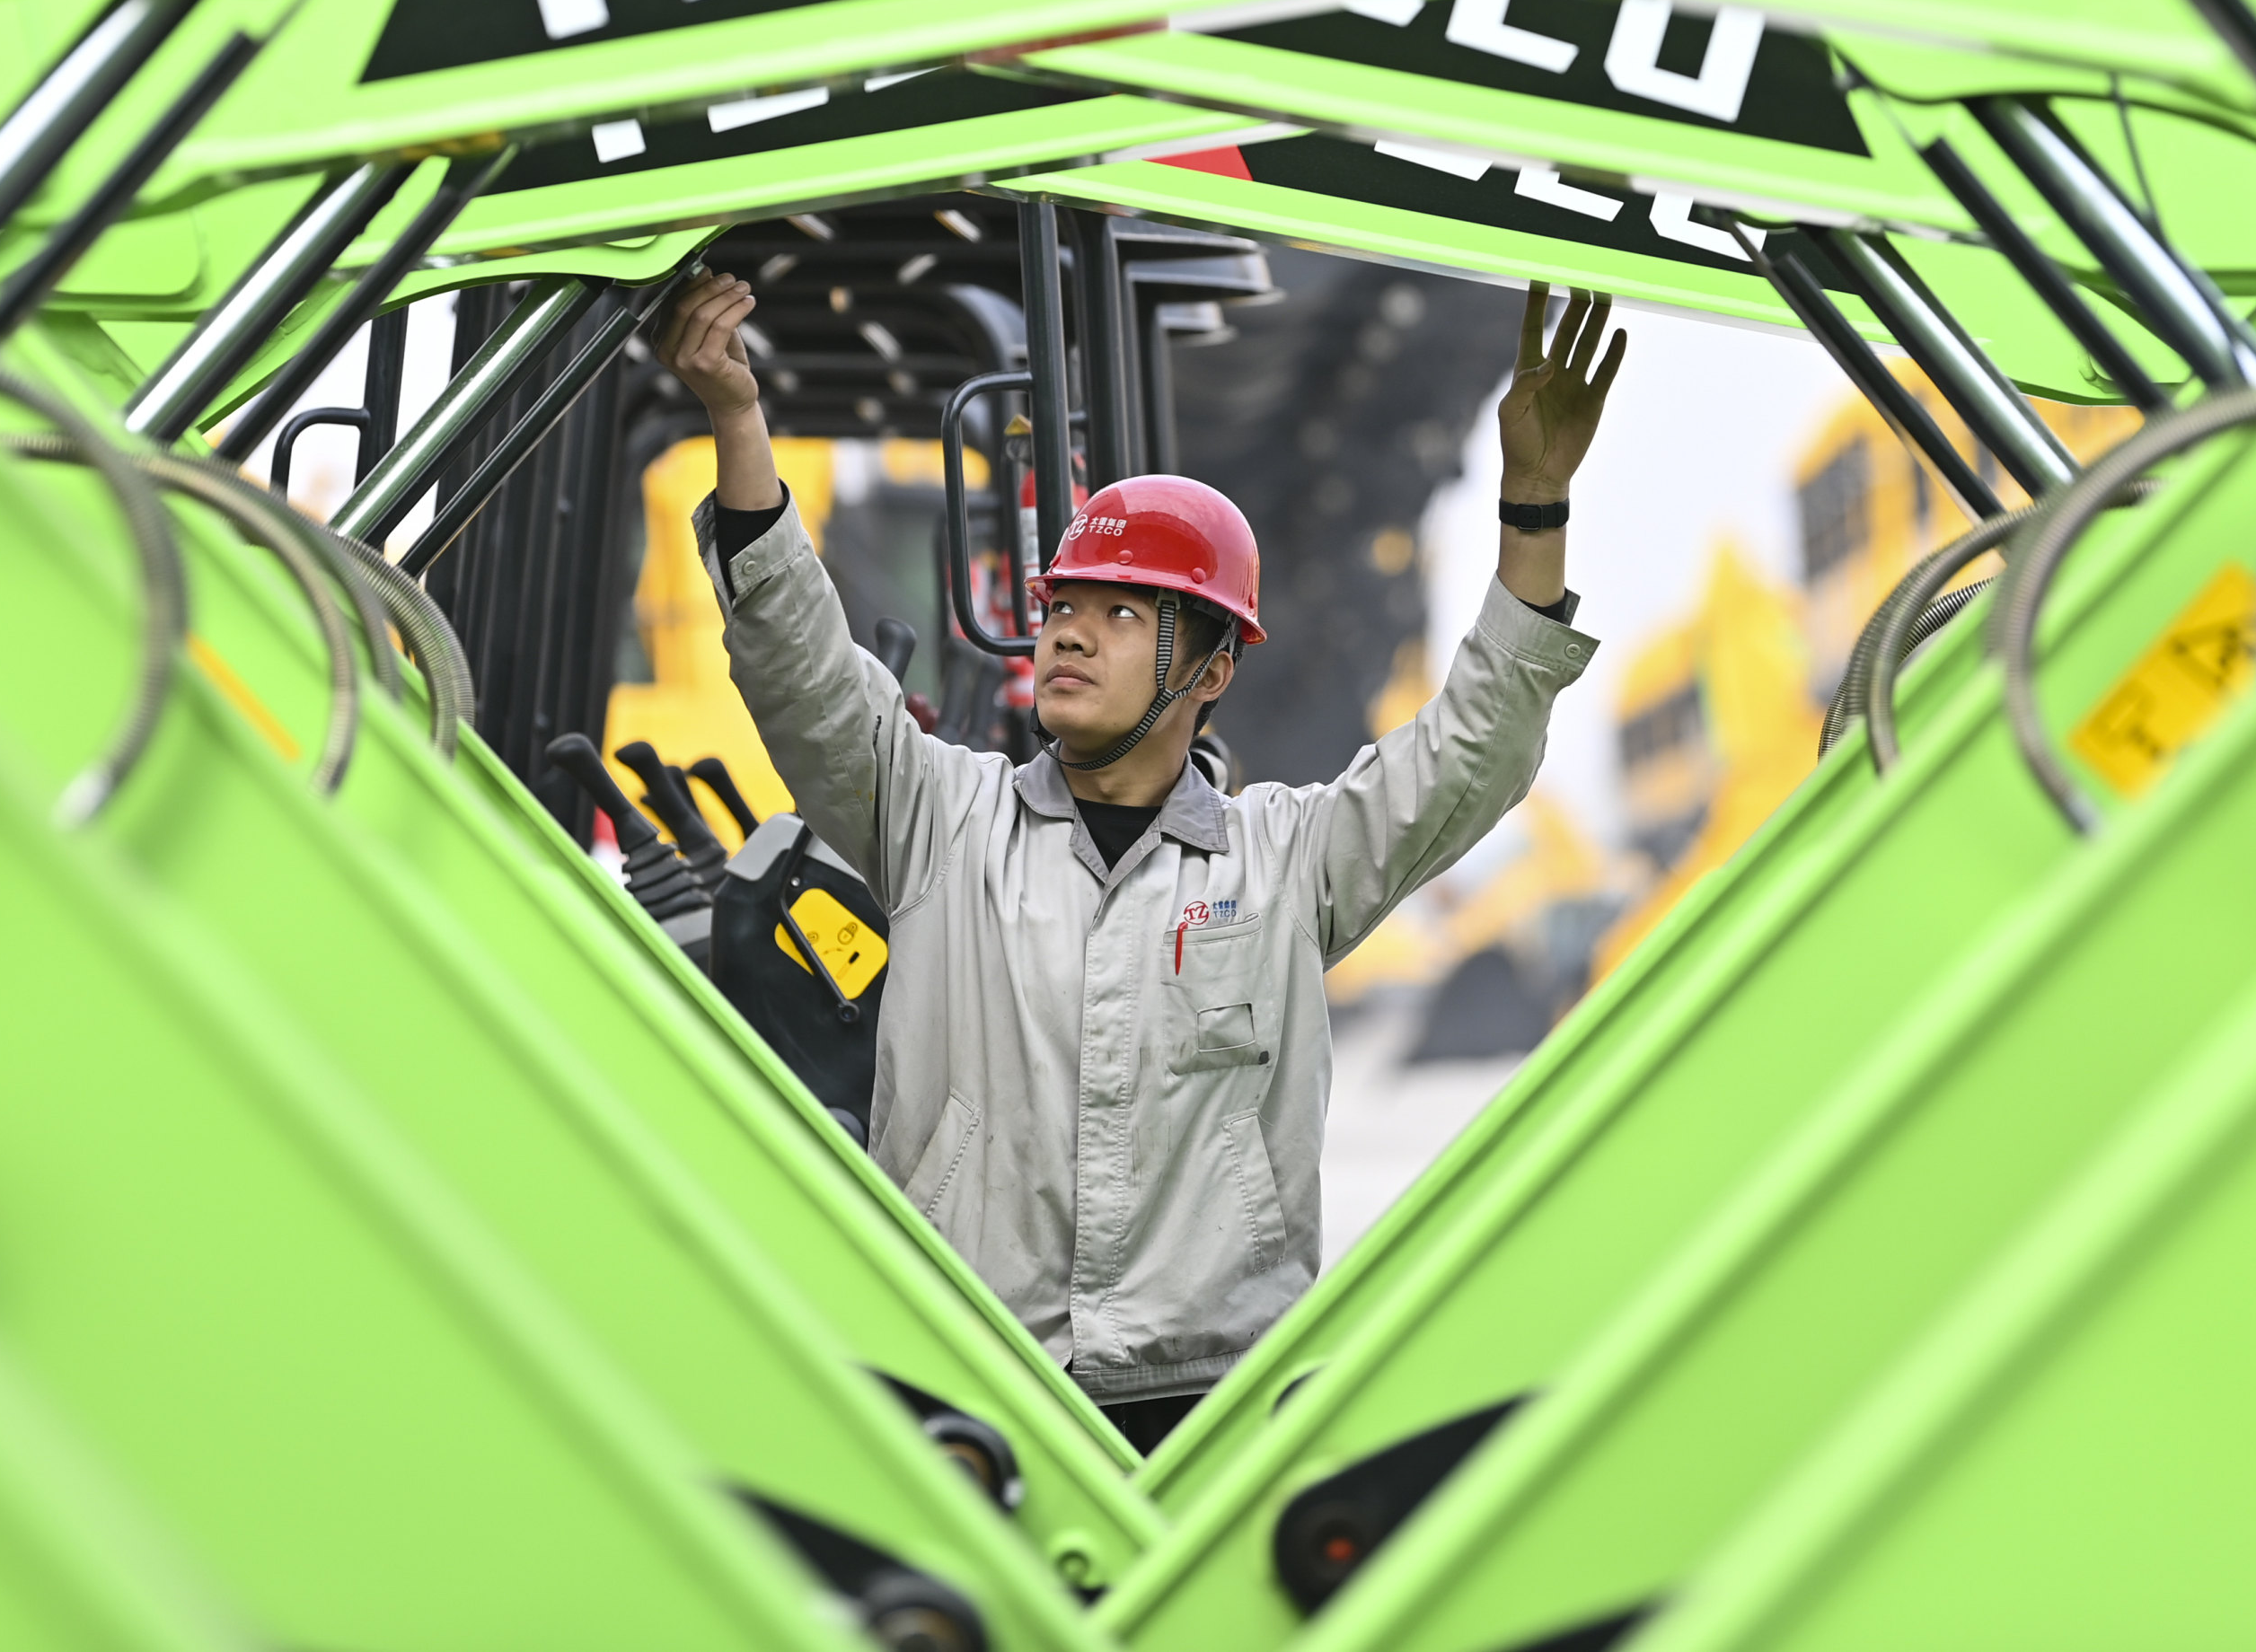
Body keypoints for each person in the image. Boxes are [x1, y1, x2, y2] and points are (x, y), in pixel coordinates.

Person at [654, 268, 1623, 1452]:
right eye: (1067, 600)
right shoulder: (939, 819)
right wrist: (738, 422)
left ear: (1210, 667)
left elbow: (1474, 746)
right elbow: (798, 663)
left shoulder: (1286, 862)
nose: (1066, 627)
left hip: (1211, 1408)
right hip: (967, 1380)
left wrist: (1534, 506)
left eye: (1121, 611)